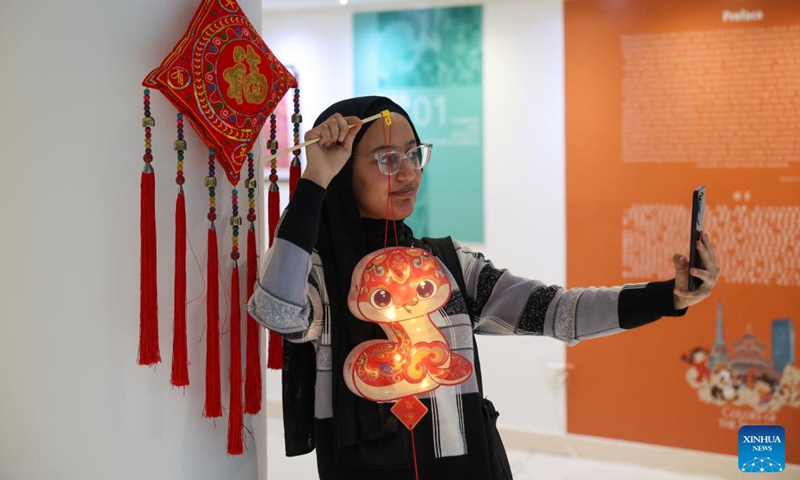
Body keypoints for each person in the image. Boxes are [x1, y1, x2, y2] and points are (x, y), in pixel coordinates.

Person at [247, 96, 720, 480]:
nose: (409, 173)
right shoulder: (318, 274)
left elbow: (558, 311)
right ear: (346, 170)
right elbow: (277, 311)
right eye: (387, 160)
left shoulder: (448, 264)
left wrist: (667, 297)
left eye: (414, 154)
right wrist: (315, 178)